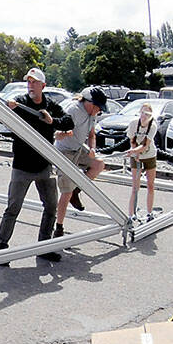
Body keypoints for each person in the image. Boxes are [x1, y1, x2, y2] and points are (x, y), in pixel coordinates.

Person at [0, 68, 72, 264]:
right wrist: (8, 111)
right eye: (28, 82)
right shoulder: (20, 102)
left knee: (51, 207)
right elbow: (1, 117)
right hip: (22, 166)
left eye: (34, 82)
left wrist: (52, 120)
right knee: (13, 207)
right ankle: (1, 248)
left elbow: (68, 122)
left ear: (43, 86)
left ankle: (44, 247)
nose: (31, 85)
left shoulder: (50, 105)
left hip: (44, 166)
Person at [51, 86, 108, 238]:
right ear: (89, 102)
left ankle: (77, 189)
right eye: (97, 107)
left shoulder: (93, 114)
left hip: (79, 149)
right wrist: (62, 134)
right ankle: (59, 227)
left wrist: (92, 148)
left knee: (98, 164)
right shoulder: (73, 110)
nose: (98, 111)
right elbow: (56, 133)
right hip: (64, 151)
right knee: (66, 191)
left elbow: (91, 135)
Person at [125, 102, 159, 222]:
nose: (144, 116)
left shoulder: (153, 126)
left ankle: (149, 212)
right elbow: (132, 140)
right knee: (135, 186)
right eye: (142, 113)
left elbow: (145, 145)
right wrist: (135, 154)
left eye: (147, 114)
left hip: (149, 155)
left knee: (150, 184)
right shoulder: (134, 123)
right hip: (135, 155)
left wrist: (136, 151)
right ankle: (131, 214)